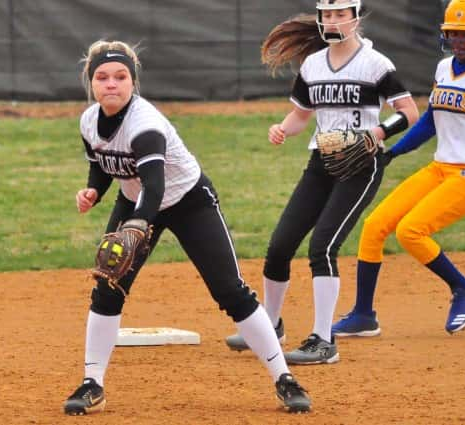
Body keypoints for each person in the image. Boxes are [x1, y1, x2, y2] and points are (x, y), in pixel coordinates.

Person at [63, 40, 311, 415]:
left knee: (231, 291)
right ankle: (91, 382)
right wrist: (93, 191)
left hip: (188, 202)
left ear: (133, 82)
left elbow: (156, 185)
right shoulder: (88, 120)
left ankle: (284, 378)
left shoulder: (145, 125)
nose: (111, 84)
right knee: (109, 285)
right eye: (102, 77)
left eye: (120, 77)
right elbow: (103, 162)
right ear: (91, 83)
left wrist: (136, 227)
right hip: (136, 201)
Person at [224, 0, 418, 365]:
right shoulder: (313, 65)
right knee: (280, 246)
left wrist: (379, 131)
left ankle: (323, 340)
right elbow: (301, 115)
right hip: (322, 159)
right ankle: (269, 326)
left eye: (339, 14)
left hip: (361, 164)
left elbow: (409, 112)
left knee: (323, 248)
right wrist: (283, 128)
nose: (331, 21)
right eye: (326, 15)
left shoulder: (376, 64)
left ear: (355, 18)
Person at [331, 0, 465, 337]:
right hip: (440, 168)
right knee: (374, 226)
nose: (458, 40)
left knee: (411, 231)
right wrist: (393, 152)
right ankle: (363, 315)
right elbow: (430, 120)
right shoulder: (444, 68)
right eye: (452, 33)